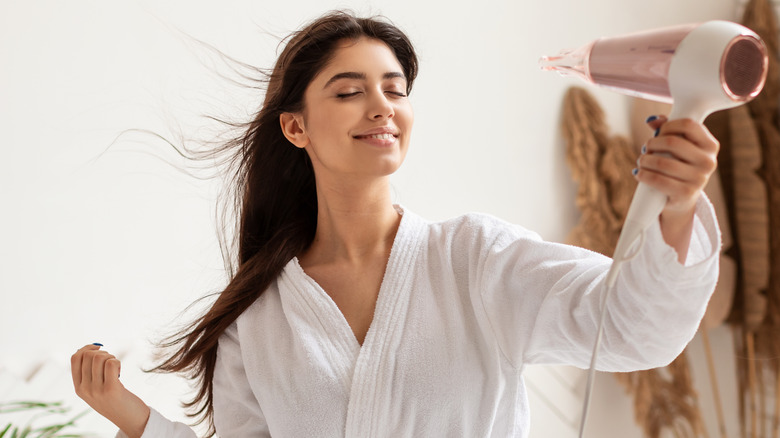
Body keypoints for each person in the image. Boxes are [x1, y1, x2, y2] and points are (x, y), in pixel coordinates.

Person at [70, 10, 721, 438]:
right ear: (295, 127)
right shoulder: (261, 315)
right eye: (350, 91)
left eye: (395, 89)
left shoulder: (475, 260)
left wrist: (679, 204)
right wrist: (131, 416)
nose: (382, 106)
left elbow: (637, 330)